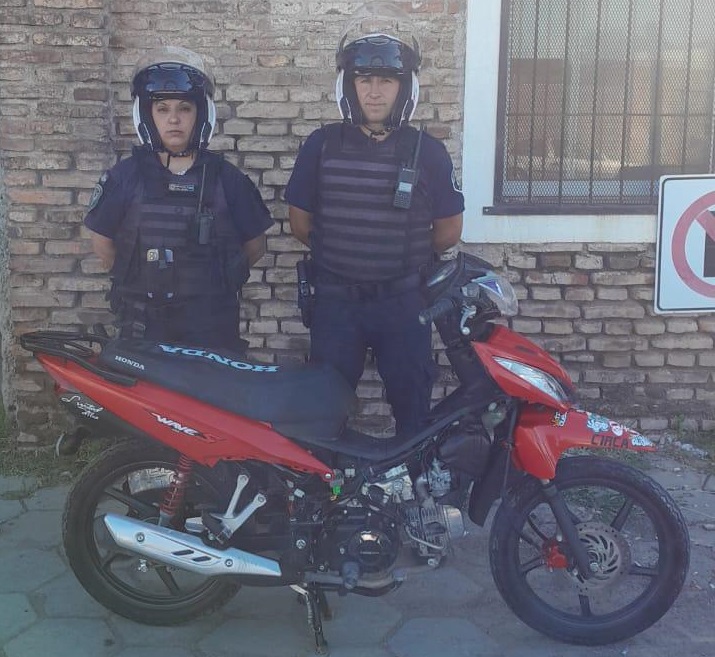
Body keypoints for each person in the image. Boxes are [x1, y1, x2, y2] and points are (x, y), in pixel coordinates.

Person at [285, 22, 464, 436]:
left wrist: (397, 258)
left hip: (403, 305)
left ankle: (413, 478)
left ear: (405, 87)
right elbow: (299, 223)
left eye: (386, 81)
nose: (375, 91)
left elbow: (448, 231)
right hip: (336, 305)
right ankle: (328, 481)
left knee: (413, 409)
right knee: (324, 414)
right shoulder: (320, 145)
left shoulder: (429, 152)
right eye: (364, 80)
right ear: (349, 86)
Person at [85, 46, 273, 350]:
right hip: (142, 326)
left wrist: (215, 283)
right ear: (148, 114)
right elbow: (102, 243)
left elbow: (256, 245)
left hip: (212, 329)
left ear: (200, 113)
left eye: (184, 108)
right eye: (163, 109)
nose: (174, 119)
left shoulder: (228, 179)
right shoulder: (124, 177)